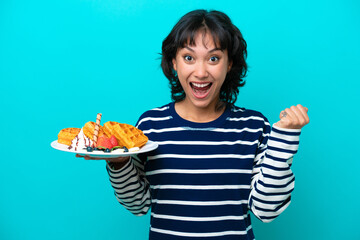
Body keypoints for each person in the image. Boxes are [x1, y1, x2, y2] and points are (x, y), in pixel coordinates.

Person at [78, 9, 309, 240]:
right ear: (174, 62)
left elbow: (266, 209)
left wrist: (285, 140)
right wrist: (119, 164)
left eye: (214, 58)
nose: (200, 72)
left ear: (229, 64)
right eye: (189, 57)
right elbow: (137, 204)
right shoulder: (150, 126)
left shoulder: (254, 126)